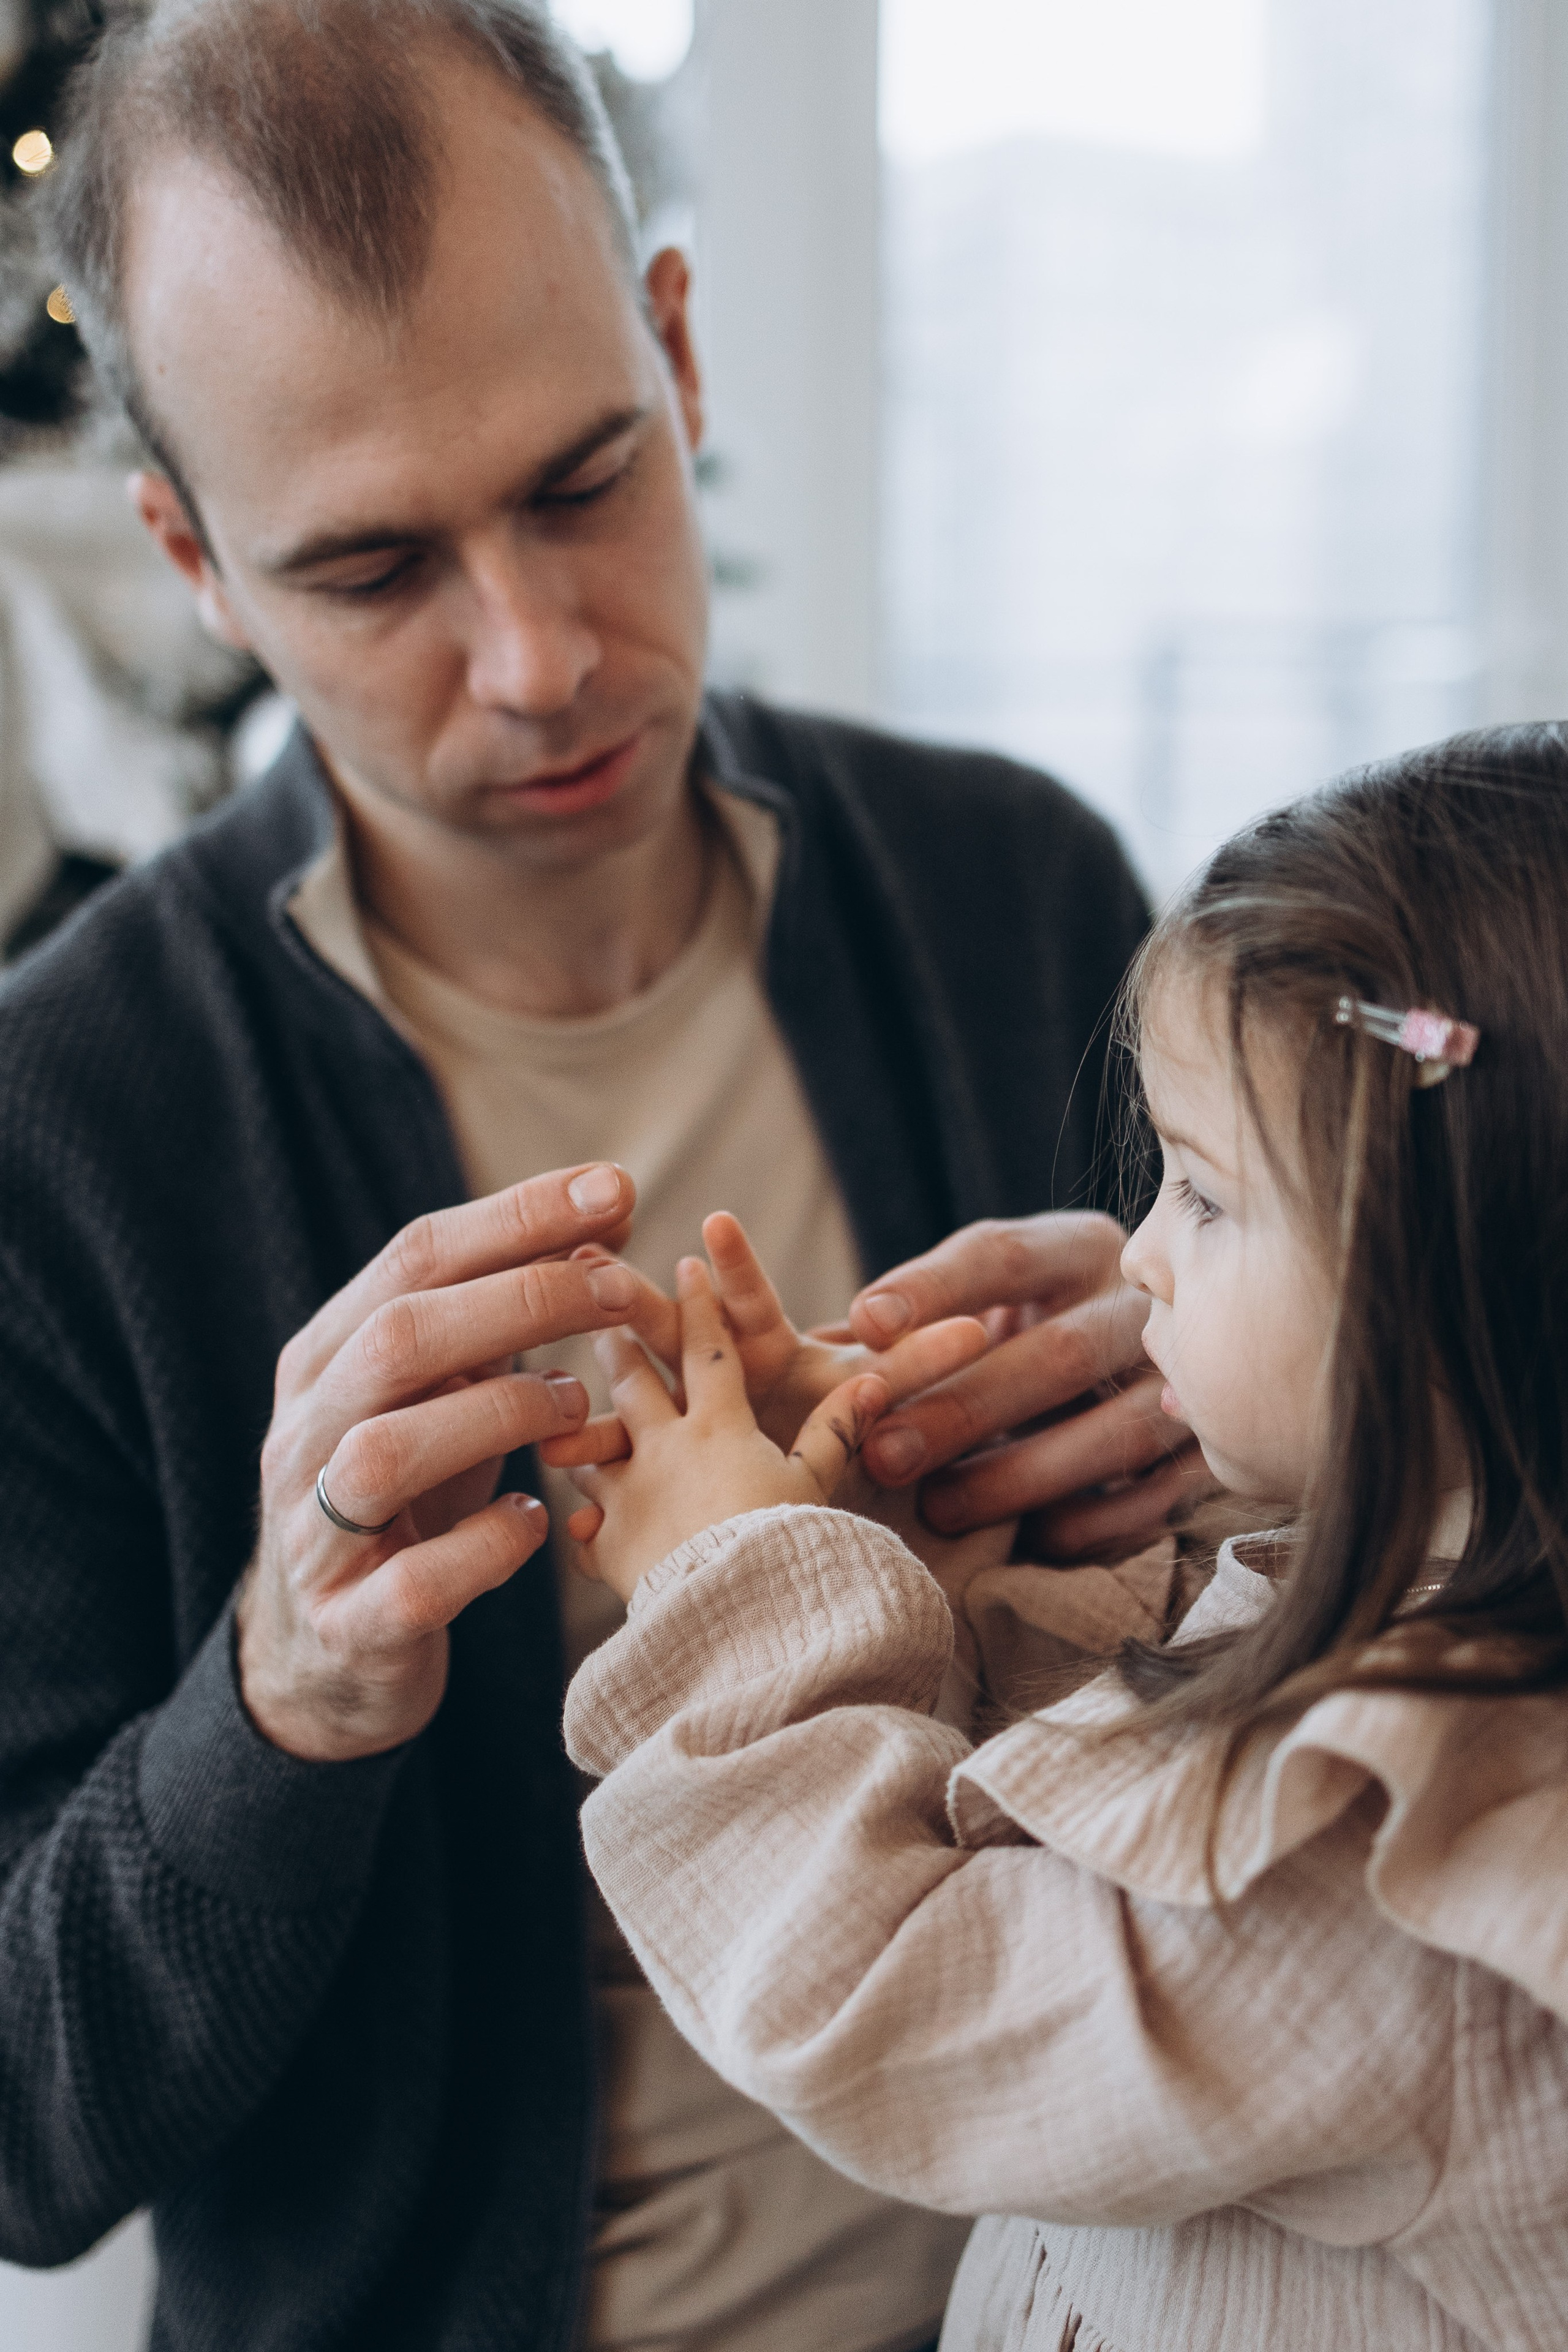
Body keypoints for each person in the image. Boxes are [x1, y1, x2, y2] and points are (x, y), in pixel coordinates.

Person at [0, 2, 1197, 2346]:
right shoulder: (65, 1136)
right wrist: (282, 1697)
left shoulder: (1018, 891)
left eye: (580, 484)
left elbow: (1333, 1673)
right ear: (197, 562)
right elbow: (31, 2143)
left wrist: (1237, 1457)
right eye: (370, 572)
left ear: (675, 350)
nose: (537, 662)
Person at [561, 725, 1568, 2351]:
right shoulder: (1447, 1618)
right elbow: (1155, 1796)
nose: (1140, 1260)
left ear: (1474, 1276)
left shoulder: (1430, 1864)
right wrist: (930, 1590)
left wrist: (738, 1590)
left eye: (1209, 1196)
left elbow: (893, 2003)